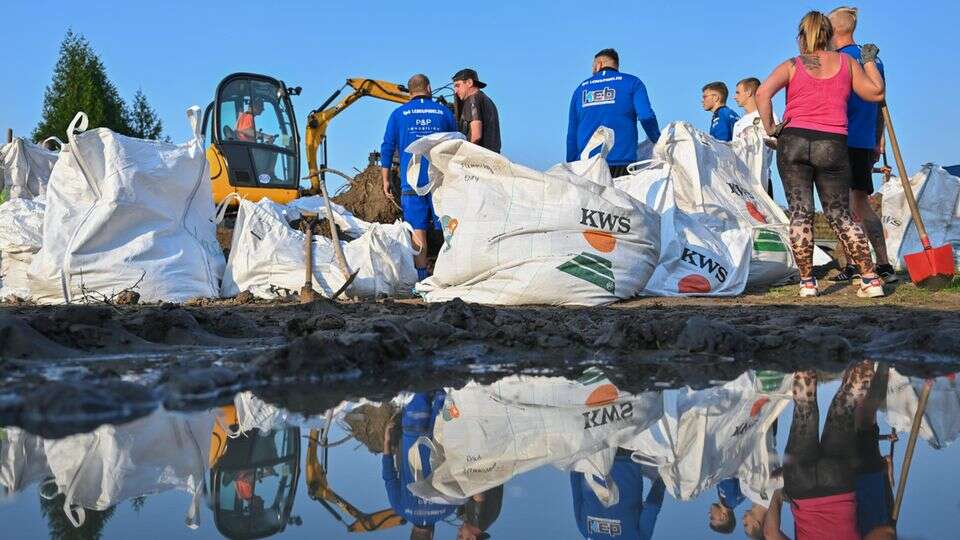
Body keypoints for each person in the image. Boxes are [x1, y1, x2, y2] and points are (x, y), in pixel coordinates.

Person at [756, 10, 887, 298]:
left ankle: (807, 283)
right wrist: (868, 60)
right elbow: (876, 93)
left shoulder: (792, 64)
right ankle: (870, 278)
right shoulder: (848, 63)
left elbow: (762, 93)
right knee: (840, 214)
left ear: (801, 37)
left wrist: (771, 128)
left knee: (800, 213)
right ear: (829, 35)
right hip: (832, 142)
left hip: (793, 140)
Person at [762, 362, 897, 539]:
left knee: (845, 405)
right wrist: (777, 491)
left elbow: (886, 532)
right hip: (801, 486)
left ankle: (865, 357)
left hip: (838, 484)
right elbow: (770, 534)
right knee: (804, 410)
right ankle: (804, 353)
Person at [828, 6, 898, 284]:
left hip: (842, 138)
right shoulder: (873, 60)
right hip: (866, 139)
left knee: (841, 205)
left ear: (833, 31)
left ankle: (856, 265)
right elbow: (880, 100)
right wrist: (877, 139)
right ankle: (883, 264)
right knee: (862, 202)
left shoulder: (838, 61)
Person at [380, 74, 457, 281]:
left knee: (417, 231)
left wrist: (386, 179)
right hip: (441, 182)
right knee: (448, 229)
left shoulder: (398, 114)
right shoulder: (444, 112)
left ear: (409, 91)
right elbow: (457, 144)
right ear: (429, 88)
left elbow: (387, 148)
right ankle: (450, 275)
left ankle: (422, 279)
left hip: (412, 183)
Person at [566, 48, 661, 177]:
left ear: (599, 64)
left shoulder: (580, 90)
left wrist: (571, 166)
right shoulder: (633, 83)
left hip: (587, 167)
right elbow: (646, 116)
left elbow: (572, 133)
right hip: (622, 163)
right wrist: (658, 141)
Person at [382, 391, 458, 540]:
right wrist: (387, 441)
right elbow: (389, 476)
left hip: (442, 432)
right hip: (413, 434)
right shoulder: (401, 508)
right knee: (419, 383)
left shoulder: (447, 509)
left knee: (449, 386)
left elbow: (460, 473)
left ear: (431, 536)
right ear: (411, 533)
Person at [570, 449, 666, 540]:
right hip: (592, 455)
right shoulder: (585, 530)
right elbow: (575, 479)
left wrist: (663, 479)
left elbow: (652, 505)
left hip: (625, 457)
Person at [733, 77, 780, 197]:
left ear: (748, 92)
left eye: (738, 92)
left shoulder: (767, 115)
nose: (735, 97)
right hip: (742, 182)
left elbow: (779, 144)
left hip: (761, 180)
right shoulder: (738, 123)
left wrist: (760, 140)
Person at [452, 69, 501, 153]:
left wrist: (463, 154)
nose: (456, 91)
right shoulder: (486, 100)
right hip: (493, 157)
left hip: (479, 159)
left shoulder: (472, 99)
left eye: (458, 85)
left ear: (469, 83)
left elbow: (476, 135)